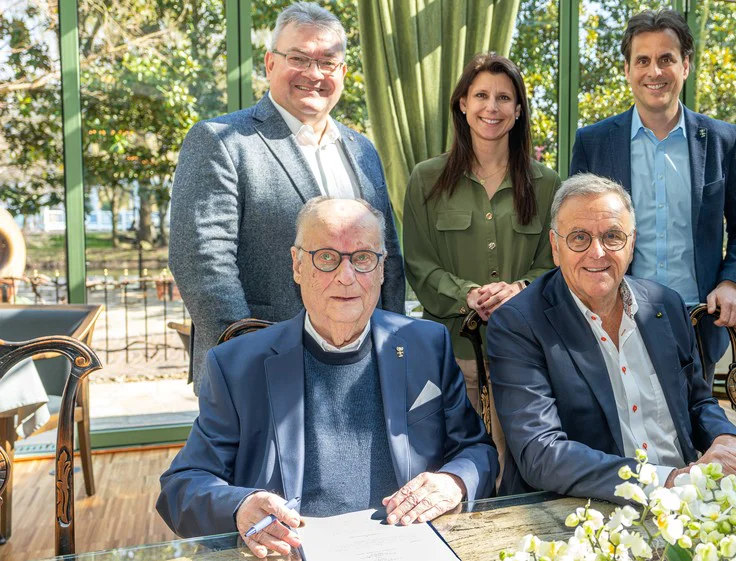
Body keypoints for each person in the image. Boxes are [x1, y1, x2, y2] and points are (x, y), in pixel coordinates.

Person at [157, 198, 497, 557]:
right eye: (326, 257)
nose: (346, 277)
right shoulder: (238, 365)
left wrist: (454, 481)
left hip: (406, 546)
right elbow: (182, 487)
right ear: (297, 265)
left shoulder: (427, 345)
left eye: (362, 258)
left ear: (382, 269)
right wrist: (240, 506)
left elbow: (477, 451)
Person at [169, 2, 405, 395]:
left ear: (342, 72)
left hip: (362, 368)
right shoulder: (221, 141)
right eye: (299, 58)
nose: (314, 74)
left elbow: (388, 257)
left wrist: (392, 347)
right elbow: (202, 261)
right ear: (270, 63)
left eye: (327, 62)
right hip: (260, 372)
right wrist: (247, 353)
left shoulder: (363, 150)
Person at [487, 174, 736, 503]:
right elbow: (541, 453)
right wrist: (667, 480)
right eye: (579, 238)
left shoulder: (665, 304)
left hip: (687, 497)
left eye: (612, 236)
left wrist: (725, 438)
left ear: (631, 245)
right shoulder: (519, 323)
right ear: (555, 247)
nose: (597, 252)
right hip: (581, 507)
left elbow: (697, 402)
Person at [569, 8, 736, 379]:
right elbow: (575, 232)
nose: (654, 72)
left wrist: (731, 282)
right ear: (627, 69)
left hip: (698, 324)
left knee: (695, 417)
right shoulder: (593, 143)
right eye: (642, 60)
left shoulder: (722, 141)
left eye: (666, 59)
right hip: (613, 321)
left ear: (685, 66)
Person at [403, 53, 560, 469]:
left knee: (522, 468)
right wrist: (467, 295)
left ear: (518, 109)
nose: (492, 107)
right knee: (457, 469)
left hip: (525, 357)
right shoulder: (426, 179)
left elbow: (555, 264)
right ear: (462, 103)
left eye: (504, 98)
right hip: (453, 357)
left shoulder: (547, 184)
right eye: (481, 96)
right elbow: (418, 263)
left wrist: (519, 290)